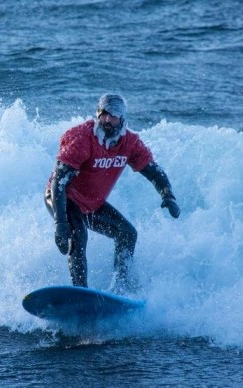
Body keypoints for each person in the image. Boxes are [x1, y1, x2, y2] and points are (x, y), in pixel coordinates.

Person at [45, 93, 180, 292]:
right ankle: (81, 292)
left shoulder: (130, 143)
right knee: (79, 235)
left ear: (122, 119)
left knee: (127, 234)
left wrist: (167, 195)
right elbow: (59, 181)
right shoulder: (82, 138)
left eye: (113, 115)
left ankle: (122, 289)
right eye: (104, 114)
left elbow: (153, 171)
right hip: (63, 198)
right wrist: (61, 223)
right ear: (98, 114)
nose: (107, 119)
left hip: (92, 204)